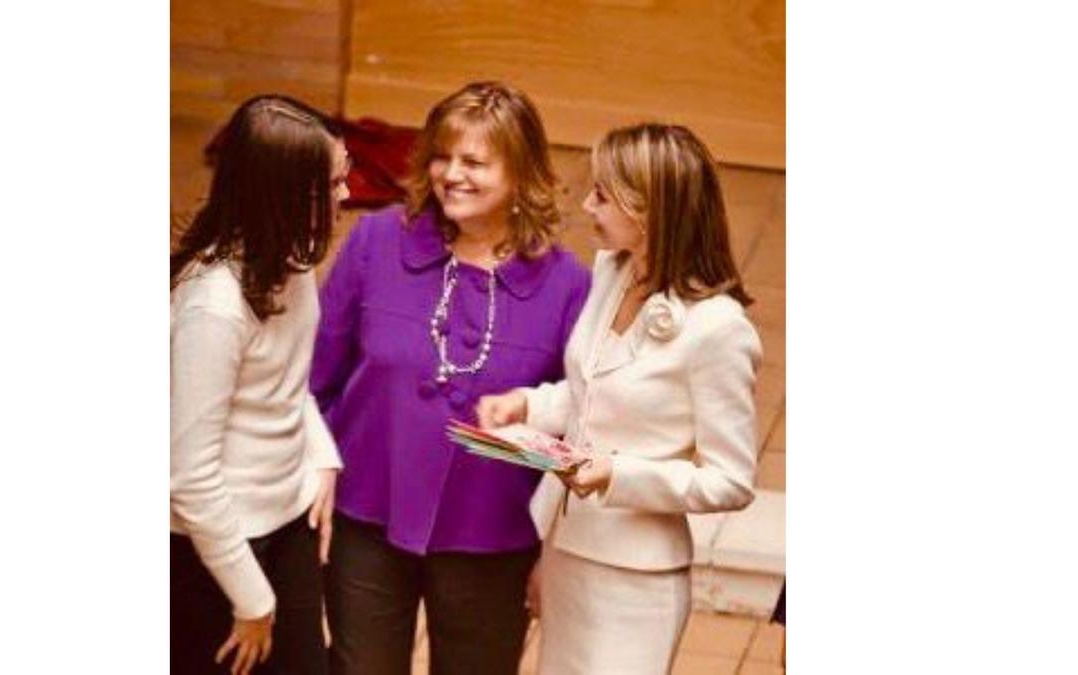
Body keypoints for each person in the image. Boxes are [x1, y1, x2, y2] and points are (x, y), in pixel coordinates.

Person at [311, 81, 591, 675]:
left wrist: (551, 552)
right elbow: (316, 378)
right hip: (366, 519)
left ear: (520, 173)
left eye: (474, 162)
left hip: (491, 536)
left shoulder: (567, 285)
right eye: (442, 156)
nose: (451, 174)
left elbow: (579, 424)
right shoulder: (377, 241)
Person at [476, 123, 762, 675]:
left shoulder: (720, 330)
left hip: (636, 581)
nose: (587, 205)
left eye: (602, 195)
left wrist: (616, 474)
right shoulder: (612, 269)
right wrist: (527, 407)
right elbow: (593, 394)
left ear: (648, 210)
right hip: (566, 550)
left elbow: (730, 481)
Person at [170, 95, 351, 675]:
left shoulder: (291, 260)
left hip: (285, 522)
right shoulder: (213, 307)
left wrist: (321, 454)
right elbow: (189, 478)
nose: (348, 196)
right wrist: (253, 600)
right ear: (288, 192)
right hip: (214, 547)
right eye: (335, 183)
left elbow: (286, 381)